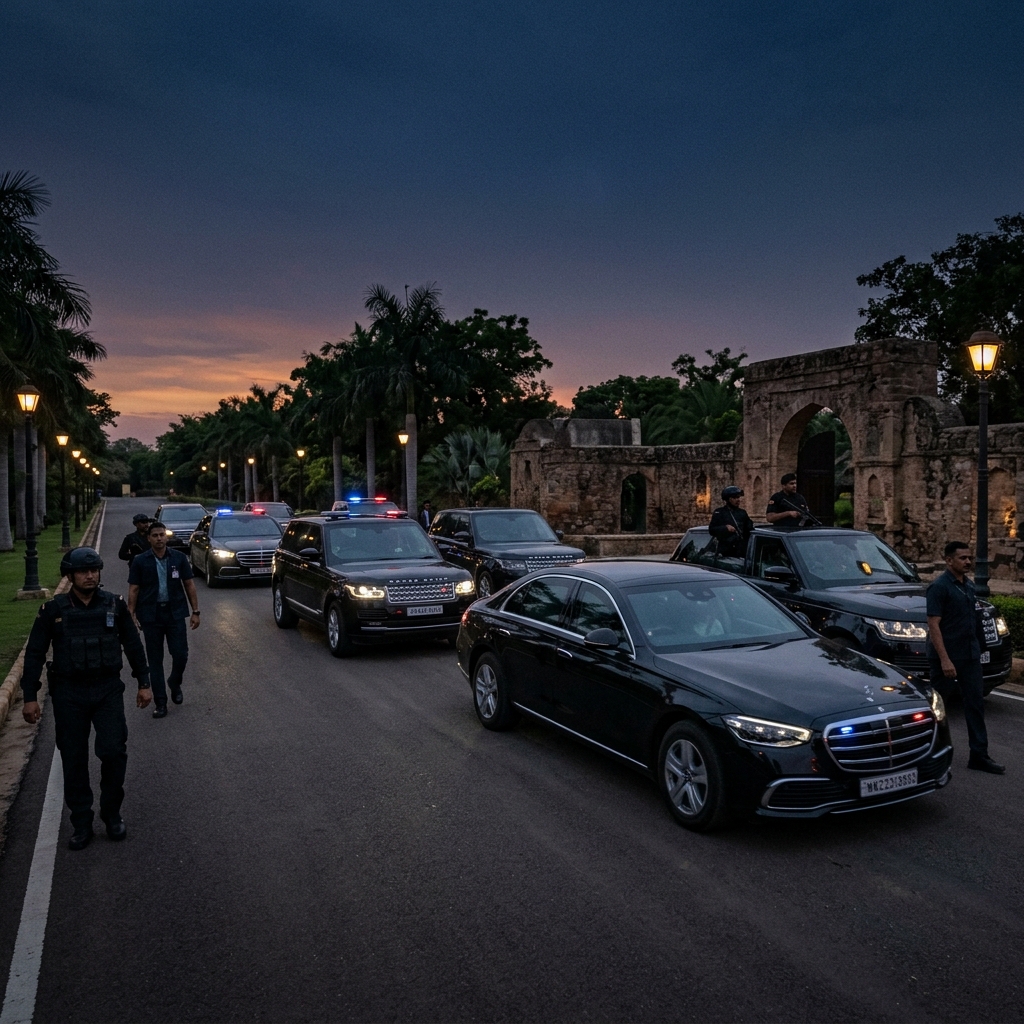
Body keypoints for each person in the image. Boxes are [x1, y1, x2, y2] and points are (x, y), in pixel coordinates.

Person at [21, 547, 152, 850]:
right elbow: (35, 655)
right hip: (69, 694)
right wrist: (30, 697)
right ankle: (81, 822)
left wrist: (144, 683)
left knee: (113, 752)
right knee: (74, 758)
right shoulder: (52, 611)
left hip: (107, 690)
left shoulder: (114, 606)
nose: (91, 575)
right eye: (83, 571)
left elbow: (133, 646)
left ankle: (111, 813)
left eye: (94, 570)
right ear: (70, 576)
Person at [926, 541, 1005, 774]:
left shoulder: (968, 586)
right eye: (963, 558)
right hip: (947, 657)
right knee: (939, 709)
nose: (968, 562)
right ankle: (931, 754)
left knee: (975, 705)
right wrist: (945, 660)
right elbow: (934, 625)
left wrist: (979, 650)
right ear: (949, 560)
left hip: (970, 656)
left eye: (970, 557)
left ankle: (979, 755)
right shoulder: (939, 587)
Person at [128, 521, 200, 718]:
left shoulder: (178, 558)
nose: (159, 538)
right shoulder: (140, 561)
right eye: (155, 535)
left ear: (166, 537)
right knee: (155, 660)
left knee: (181, 654)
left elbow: (189, 585)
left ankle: (174, 682)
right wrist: (131, 615)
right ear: (149, 538)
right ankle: (161, 702)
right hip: (151, 616)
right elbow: (134, 589)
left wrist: (196, 611)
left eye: (162, 535)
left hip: (175, 613)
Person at [709, 486, 753, 559]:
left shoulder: (742, 513)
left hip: (740, 551)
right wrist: (725, 528)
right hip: (725, 553)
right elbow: (712, 530)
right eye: (735, 498)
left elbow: (749, 529)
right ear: (728, 499)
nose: (738, 500)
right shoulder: (719, 512)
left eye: (738, 497)